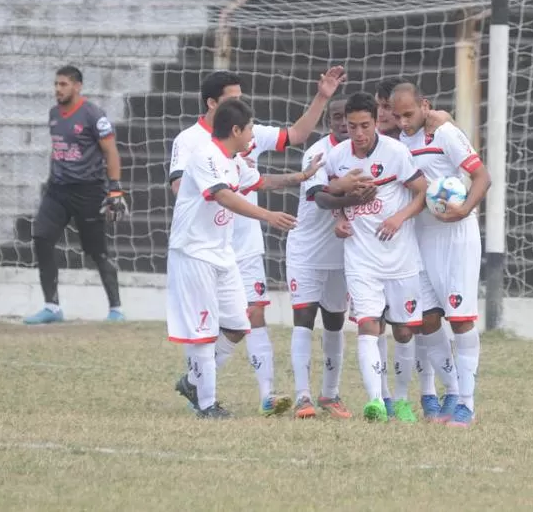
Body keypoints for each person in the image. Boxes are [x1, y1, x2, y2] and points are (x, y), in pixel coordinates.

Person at [168, 66, 345, 416]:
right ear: (234, 127)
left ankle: (194, 380)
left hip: (225, 252)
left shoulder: (233, 158)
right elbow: (221, 195)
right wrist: (268, 217)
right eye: (249, 128)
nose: (254, 135)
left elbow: (260, 181)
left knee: (238, 323)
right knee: (204, 331)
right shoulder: (202, 153)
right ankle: (207, 404)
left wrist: (303, 176)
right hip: (195, 253)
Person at [323, 91, 427, 422]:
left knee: (404, 331)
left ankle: (401, 399)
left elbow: (423, 191)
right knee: (368, 325)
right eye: (352, 126)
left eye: (364, 126)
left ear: (375, 122)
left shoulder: (396, 153)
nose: (358, 134)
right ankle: (376, 402)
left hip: (400, 259)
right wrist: (339, 219)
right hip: (361, 257)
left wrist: (399, 218)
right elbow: (331, 198)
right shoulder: (337, 157)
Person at [392, 82, 491, 428]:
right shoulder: (398, 141)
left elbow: (482, 177)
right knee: (429, 320)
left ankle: (467, 404)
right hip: (420, 237)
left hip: (455, 235)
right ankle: (451, 392)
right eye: (397, 116)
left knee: (461, 319)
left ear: (424, 106)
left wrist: (464, 209)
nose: (403, 121)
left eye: (409, 114)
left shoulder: (445, 132)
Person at [286, 97, 373, 419]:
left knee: (335, 322)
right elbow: (320, 199)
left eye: (346, 119)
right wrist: (351, 192)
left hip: (342, 252)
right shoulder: (318, 154)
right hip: (307, 251)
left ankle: (330, 394)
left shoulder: (366, 155)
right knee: (304, 319)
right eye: (336, 118)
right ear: (329, 122)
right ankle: (302, 396)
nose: (341, 124)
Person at [23, 66, 129, 325]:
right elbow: (59, 149)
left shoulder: (93, 115)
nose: (58, 89)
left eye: (63, 84)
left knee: (97, 252)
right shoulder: (53, 114)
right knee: (41, 237)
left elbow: (111, 152)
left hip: (88, 191)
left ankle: (116, 309)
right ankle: (52, 307)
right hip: (58, 190)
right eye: (56, 84)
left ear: (77, 86)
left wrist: (114, 189)